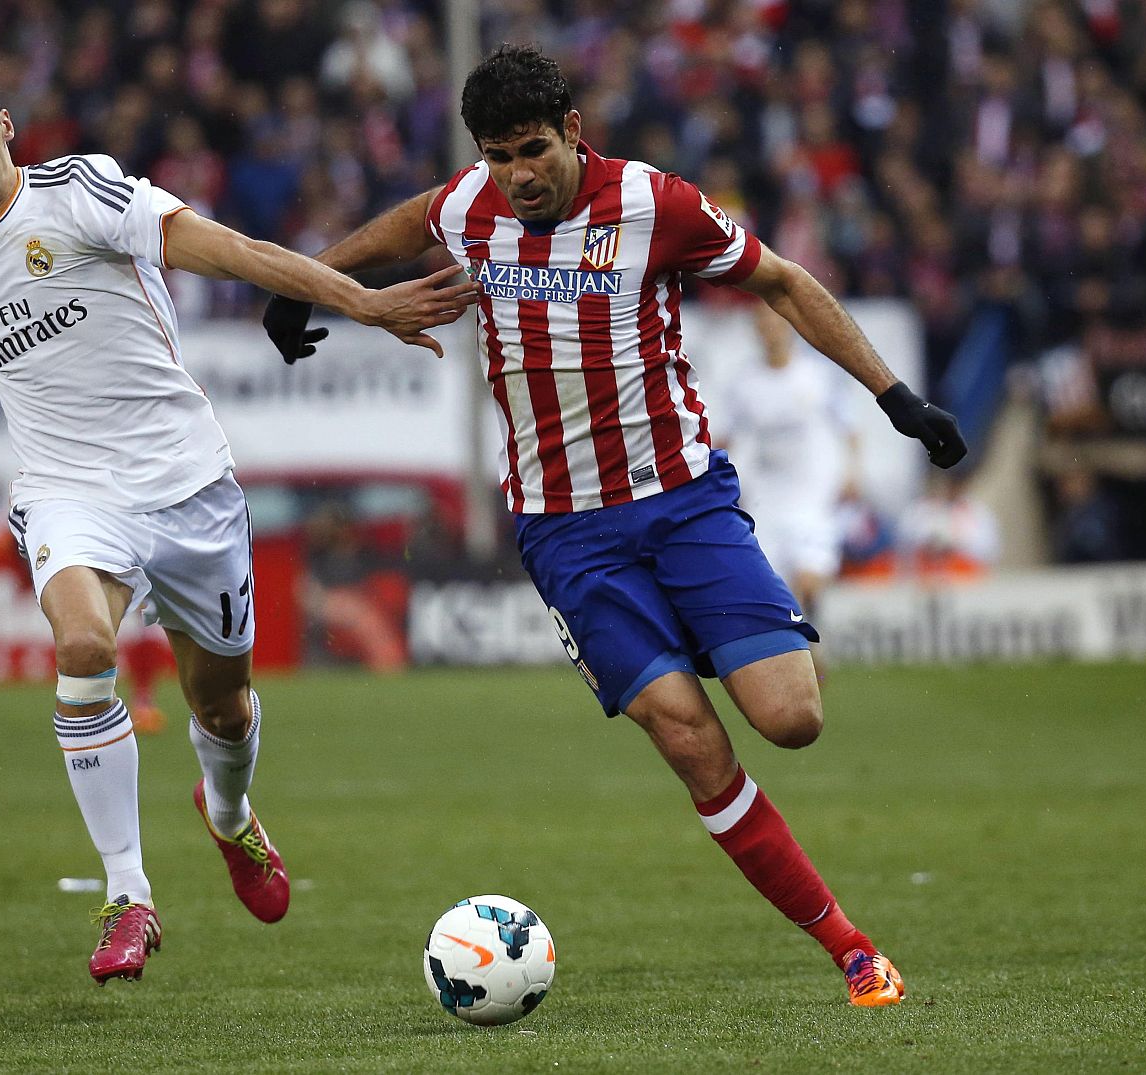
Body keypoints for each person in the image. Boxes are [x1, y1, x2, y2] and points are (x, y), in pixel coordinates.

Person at [263, 45, 966, 1007]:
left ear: (574, 133)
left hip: (683, 503)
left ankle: (712, 637)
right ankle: (849, 947)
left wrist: (896, 399)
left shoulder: (653, 205)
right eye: (500, 154)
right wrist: (309, 280)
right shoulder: (470, 206)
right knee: (688, 738)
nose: (519, 173)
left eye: (535, 150)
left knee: (792, 718)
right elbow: (403, 222)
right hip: (566, 536)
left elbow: (786, 282)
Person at [0, 50, 477, 985]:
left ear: (5, 124)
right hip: (67, 493)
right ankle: (127, 893)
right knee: (84, 648)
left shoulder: (84, 194)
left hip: (190, 487)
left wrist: (359, 301)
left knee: (222, 705)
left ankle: (228, 813)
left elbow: (235, 250)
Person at [714, 302, 858, 627]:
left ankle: (809, 643)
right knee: (773, 592)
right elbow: (726, 438)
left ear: (789, 325)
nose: (770, 330)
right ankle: (803, 651)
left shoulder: (818, 375)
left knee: (809, 579)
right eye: (762, 323)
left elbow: (849, 428)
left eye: (776, 322)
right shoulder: (744, 383)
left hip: (814, 495)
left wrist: (853, 472)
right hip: (767, 499)